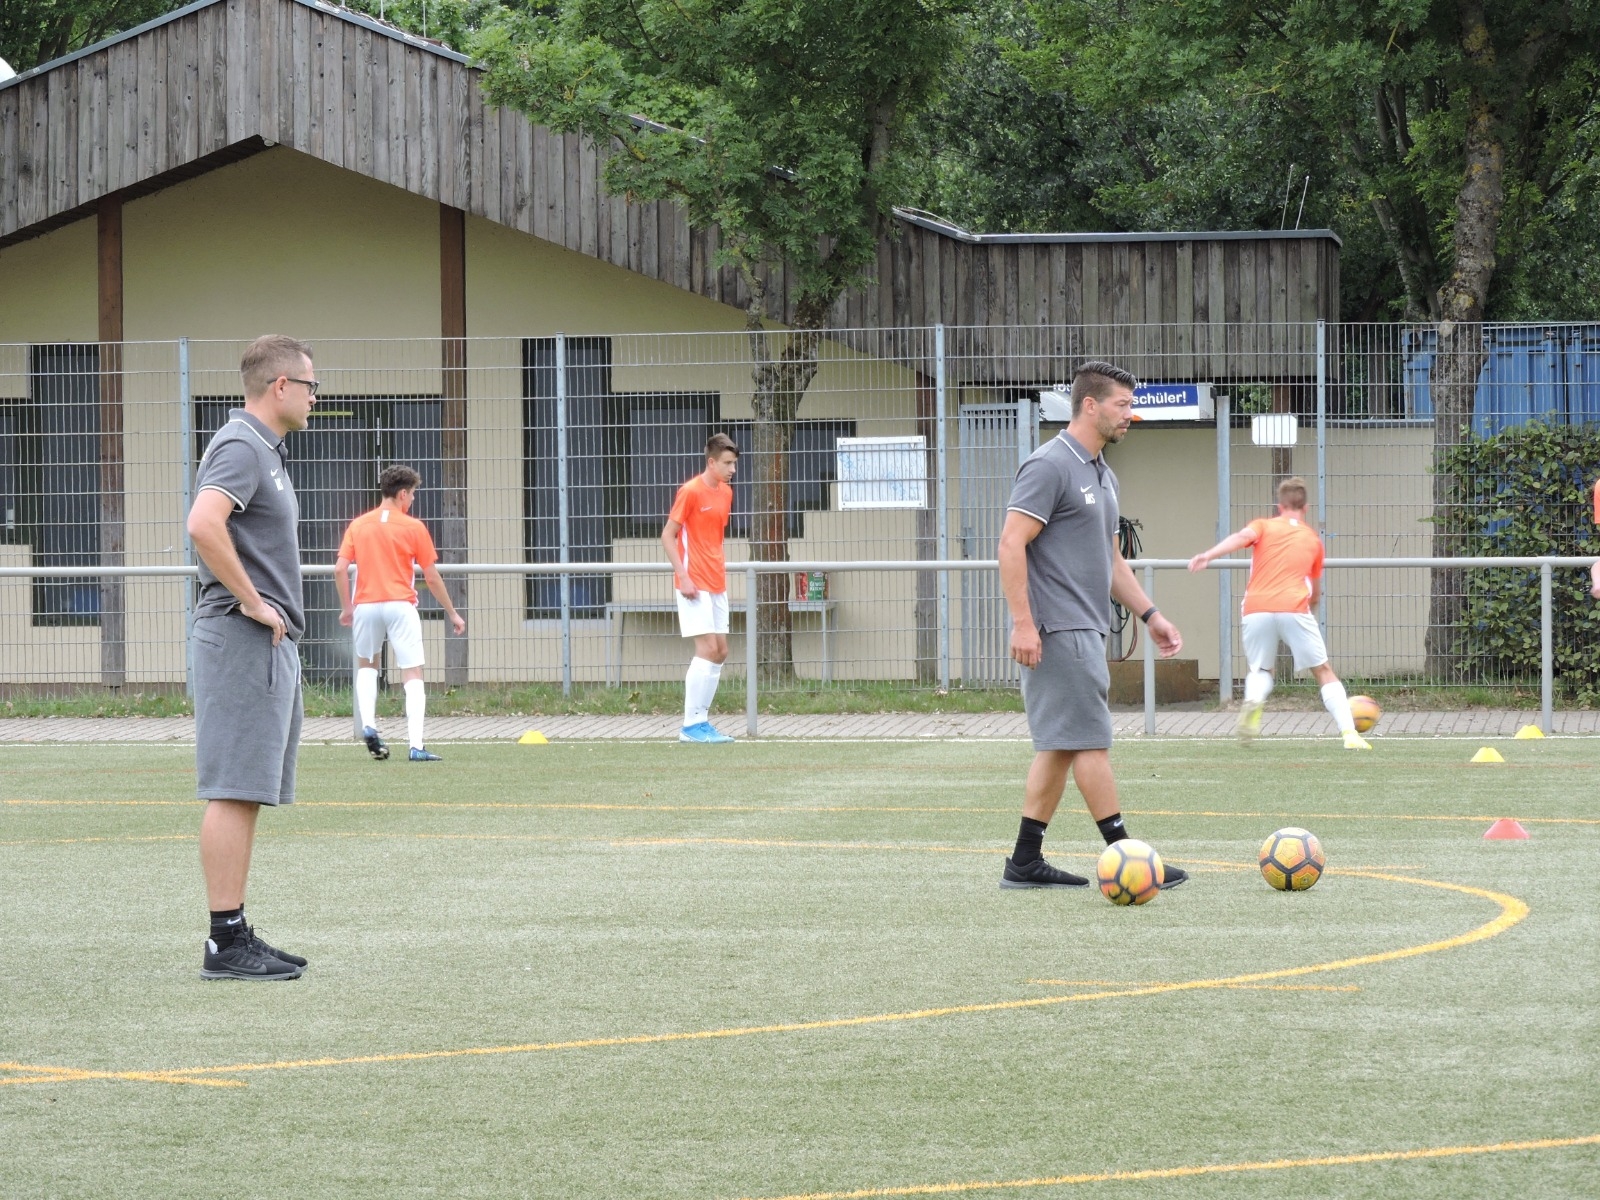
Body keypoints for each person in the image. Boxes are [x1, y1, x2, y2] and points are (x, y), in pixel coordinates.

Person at [998, 360, 1189, 890]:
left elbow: (1111, 561)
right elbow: (1011, 544)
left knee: (1060, 745)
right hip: (1057, 628)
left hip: (1085, 626)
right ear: (1090, 405)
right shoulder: (1049, 465)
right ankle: (1128, 855)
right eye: (1123, 405)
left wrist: (1151, 615)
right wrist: (1023, 624)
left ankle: (1024, 861)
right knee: (1089, 742)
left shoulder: (1103, 473)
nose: (1131, 415)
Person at [186, 335, 317, 981]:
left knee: (249, 790)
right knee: (235, 786)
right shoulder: (241, 445)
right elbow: (203, 523)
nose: (316, 397)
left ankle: (233, 931)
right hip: (239, 638)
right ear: (281, 387)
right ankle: (223, 943)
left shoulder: (263, 451)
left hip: (262, 644)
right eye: (311, 385)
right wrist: (255, 603)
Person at [1188, 476, 1370, 749]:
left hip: (1256, 607)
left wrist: (1209, 555)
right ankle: (1350, 735)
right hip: (1294, 606)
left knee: (1261, 669)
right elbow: (1316, 592)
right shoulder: (1313, 540)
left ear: (1279, 506)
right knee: (1322, 670)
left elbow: (1242, 537)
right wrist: (1306, 613)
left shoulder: (1263, 526)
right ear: (1305, 508)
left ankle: (1253, 703)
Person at [335, 464, 467, 762]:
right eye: (413, 495)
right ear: (403, 494)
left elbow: (340, 568)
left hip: (366, 606)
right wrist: (453, 613)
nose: (413, 501)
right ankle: (416, 745)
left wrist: (347, 607)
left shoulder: (358, 525)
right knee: (412, 671)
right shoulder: (413, 527)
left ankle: (369, 726)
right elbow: (431, 577)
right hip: (400, 605)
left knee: (367, 665)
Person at [661, 433, 740, 744]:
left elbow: (712, 539)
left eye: (734, 463)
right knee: (706, 649)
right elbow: (668, 536)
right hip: (693, 583)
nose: (733, 469)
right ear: (711, 462)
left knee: (720, 651)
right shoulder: (690, 491)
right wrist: (684, 576)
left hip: (717, 582)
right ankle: (691, 726)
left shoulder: (726, 493)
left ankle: (702, 722)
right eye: (727, 463)